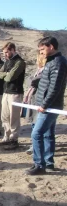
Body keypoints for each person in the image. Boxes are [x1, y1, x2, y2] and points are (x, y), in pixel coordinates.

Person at [26, 37, 67, 175]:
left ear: (51, 47)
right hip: (46, 105)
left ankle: (39, 165)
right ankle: (49, 163)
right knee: (48, 134)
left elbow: (54, 87)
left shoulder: (58, 62)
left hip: (49, 106)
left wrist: (44, 105)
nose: (41, 52)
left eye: (42, 49)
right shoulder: (51, 62)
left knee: (36, 134)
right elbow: (45, 83)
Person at [0, 42, 26, 150]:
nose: (5, 54)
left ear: (12, 50)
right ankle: (6, 137)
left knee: (14, 118)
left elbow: (10, 78)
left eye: (6, 52)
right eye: (4, 52)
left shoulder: (20, 62)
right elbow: (0, 75)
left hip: (15, 93)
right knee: (4, 116)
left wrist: (6, 74)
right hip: (6, 92)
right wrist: (6, 73)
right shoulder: (7, 62)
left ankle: (14, 139)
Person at [24, 52, 46, 155]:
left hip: (40, 100)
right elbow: (29, 81)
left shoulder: (44, 71)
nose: (36, 61)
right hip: (33, 99)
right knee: (33, 123)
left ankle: (38, 148)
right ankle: (34, 145)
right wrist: (30, 80)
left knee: (39, 126)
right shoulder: (38, 71)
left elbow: (31, 82)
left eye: (38, 59)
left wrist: (30, 80)